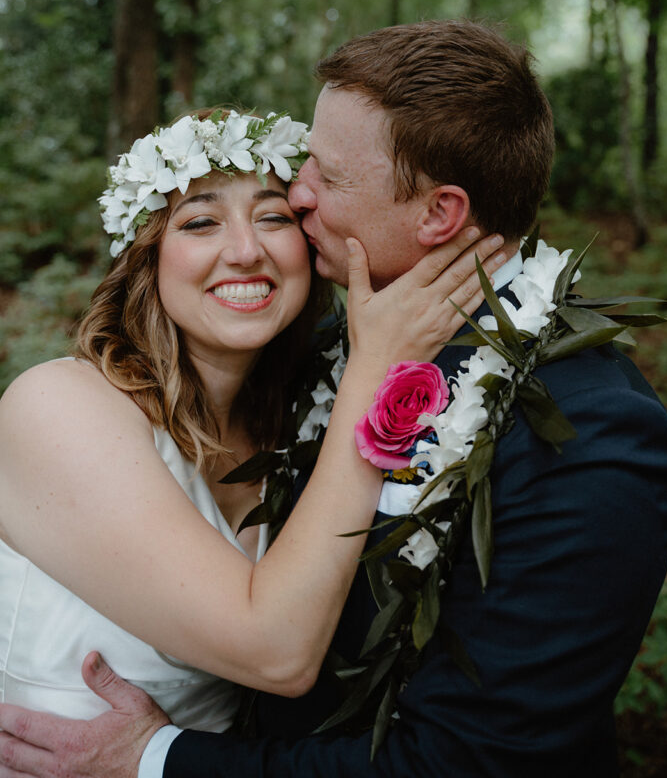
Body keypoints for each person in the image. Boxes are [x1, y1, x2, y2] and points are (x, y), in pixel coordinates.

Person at [0, 21, 667, 778]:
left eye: (324, 176)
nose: (298, 197)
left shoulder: (587, 429)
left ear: (437, 215)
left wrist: (159, 758)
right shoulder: (320, 364)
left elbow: (476, 761)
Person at [0, 107, 507, 733]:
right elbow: (278, 654)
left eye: (273, 217)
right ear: (146, 256)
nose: (246, 252)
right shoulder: (57, 407)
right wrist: (376, 368)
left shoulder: (293, 423)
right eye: (201, 222)